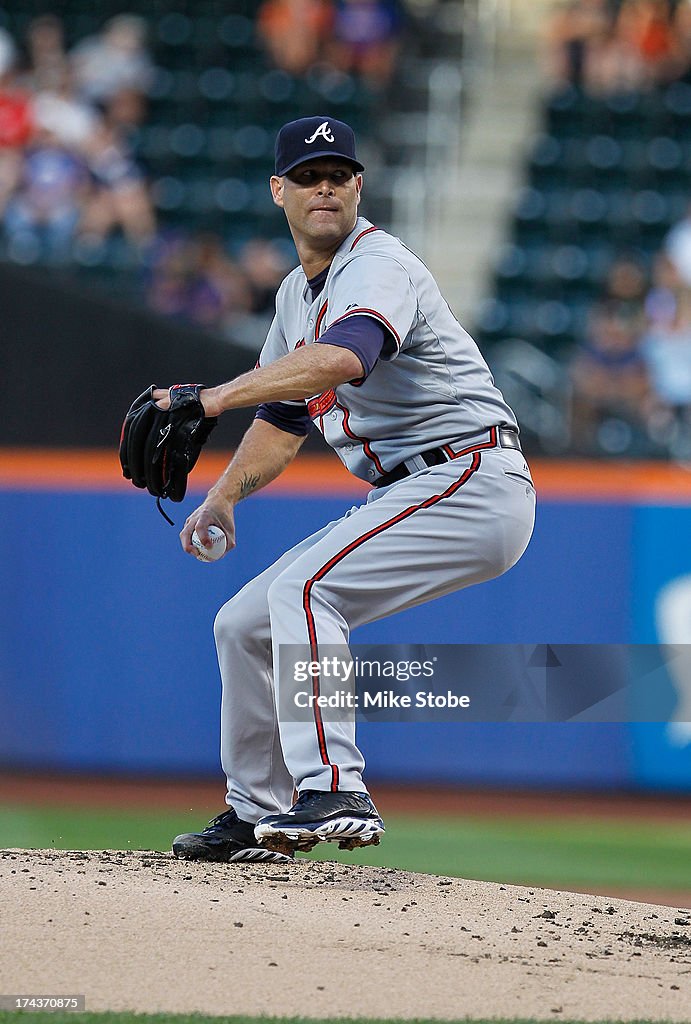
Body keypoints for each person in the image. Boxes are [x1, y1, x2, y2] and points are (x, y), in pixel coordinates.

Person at [164, 116, 536, 863]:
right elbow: (281, 418)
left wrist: (205, 400)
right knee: (242, 623)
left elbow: (343, 358)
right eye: (307, 175)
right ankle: (253, 813)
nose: (324, 186)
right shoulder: (295, 299)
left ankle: (335, 786)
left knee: (304, 593)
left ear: (358, 186)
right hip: (419, 487)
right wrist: (225, 494)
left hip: (467, 475)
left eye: (338, 173)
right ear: (279, 191)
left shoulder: (377, 266)